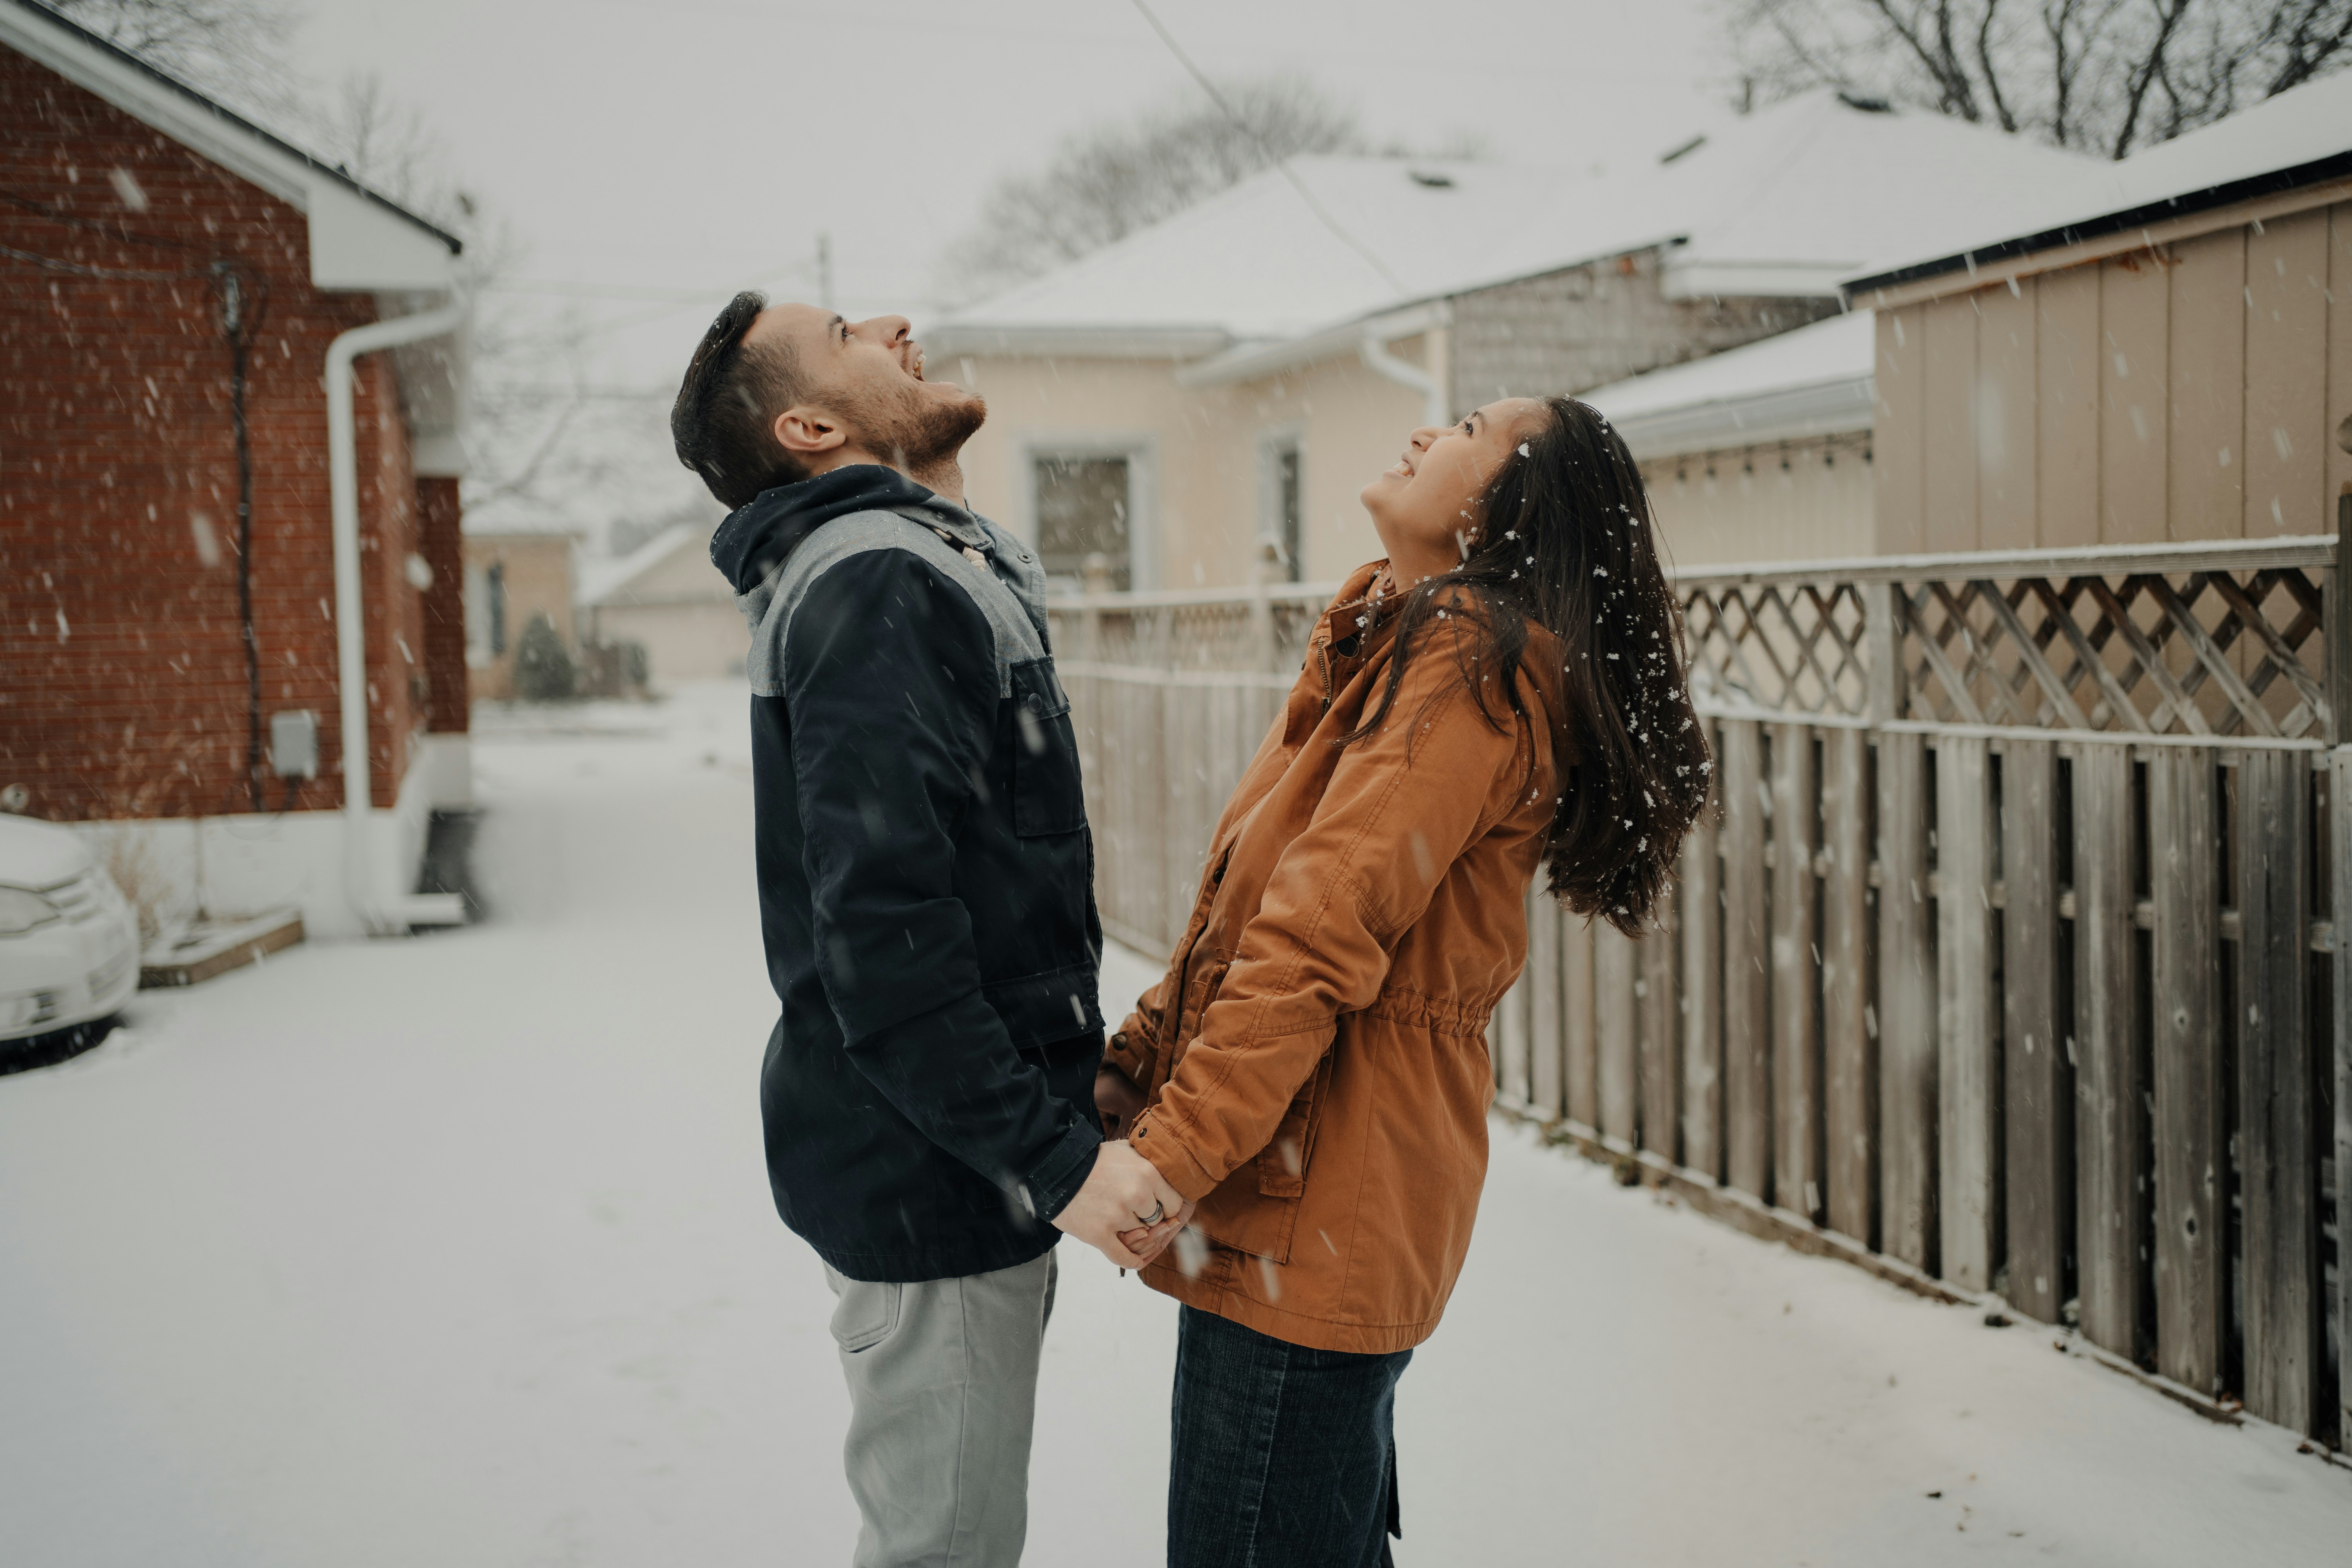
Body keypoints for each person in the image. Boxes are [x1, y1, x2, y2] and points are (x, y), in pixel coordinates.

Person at [1095, 396, 1710, 1567]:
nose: (1428, 434)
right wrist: (1138, 1064)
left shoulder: (1470, 661)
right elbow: (1248, 910)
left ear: (1513, 506)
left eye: (1468, 429)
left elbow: (1316, 936)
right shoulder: (1405, 643)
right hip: (1314, 1187)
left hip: (1319, 1194)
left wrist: (1167, 1163)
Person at [670, 293, 1188, 1568]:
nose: (895, 325)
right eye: (848, 333)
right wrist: (1056, 1165)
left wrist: (1060, 1085)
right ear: (810, 427)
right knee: (946, 1550)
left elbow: (974, 881)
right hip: (935, 1180)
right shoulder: (876, 582)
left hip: (951, 1161)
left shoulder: (903, 564)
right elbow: (888, 945)